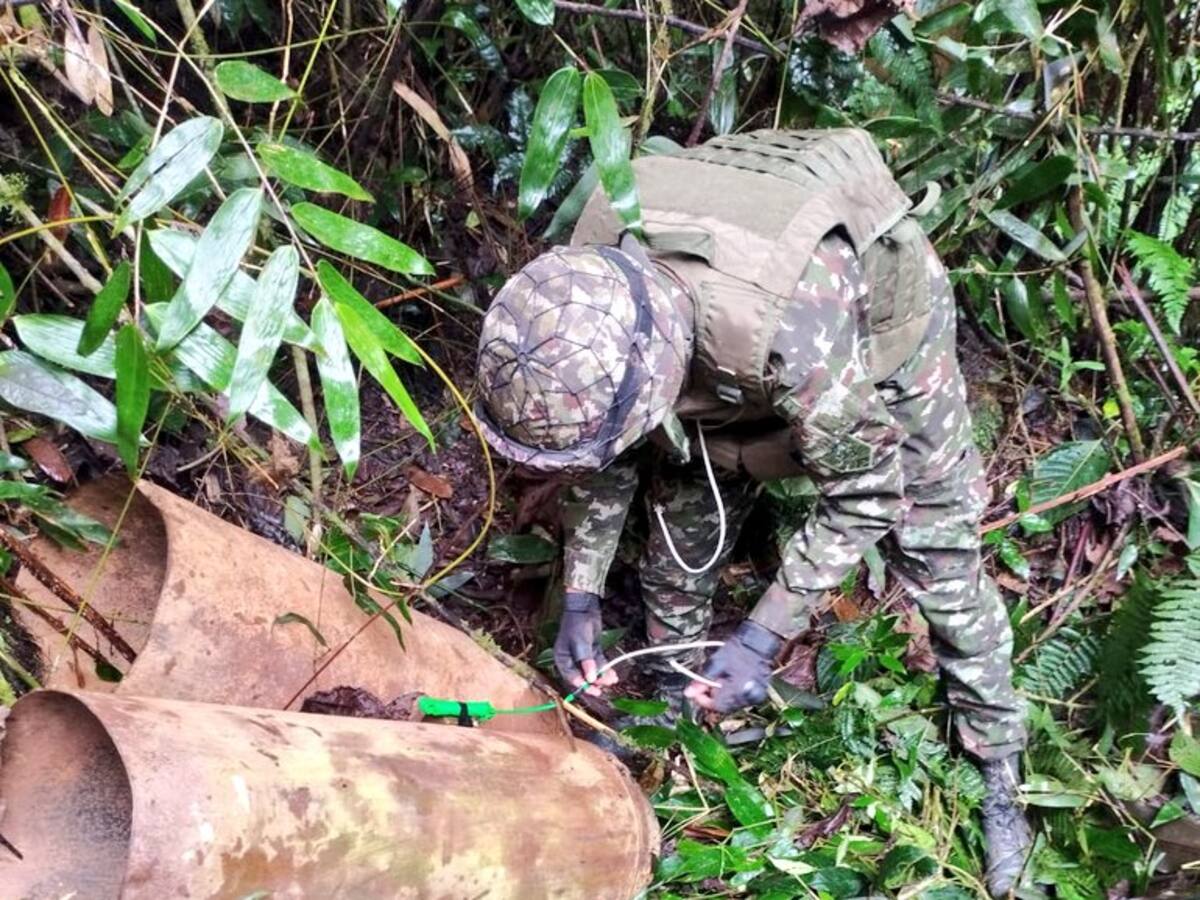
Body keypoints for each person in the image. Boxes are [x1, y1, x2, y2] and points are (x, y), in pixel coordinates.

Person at [473, 129, 1030, 896]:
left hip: (871, 329)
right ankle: (678, 697)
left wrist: (763, 636)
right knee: (679, 512)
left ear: (663, 379)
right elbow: (608, 458)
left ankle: (1000, 766)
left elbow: (866, 494)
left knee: (938, 552)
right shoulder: (582, 283)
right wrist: (581, 593)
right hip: (732, 338)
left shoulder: (792, 329)